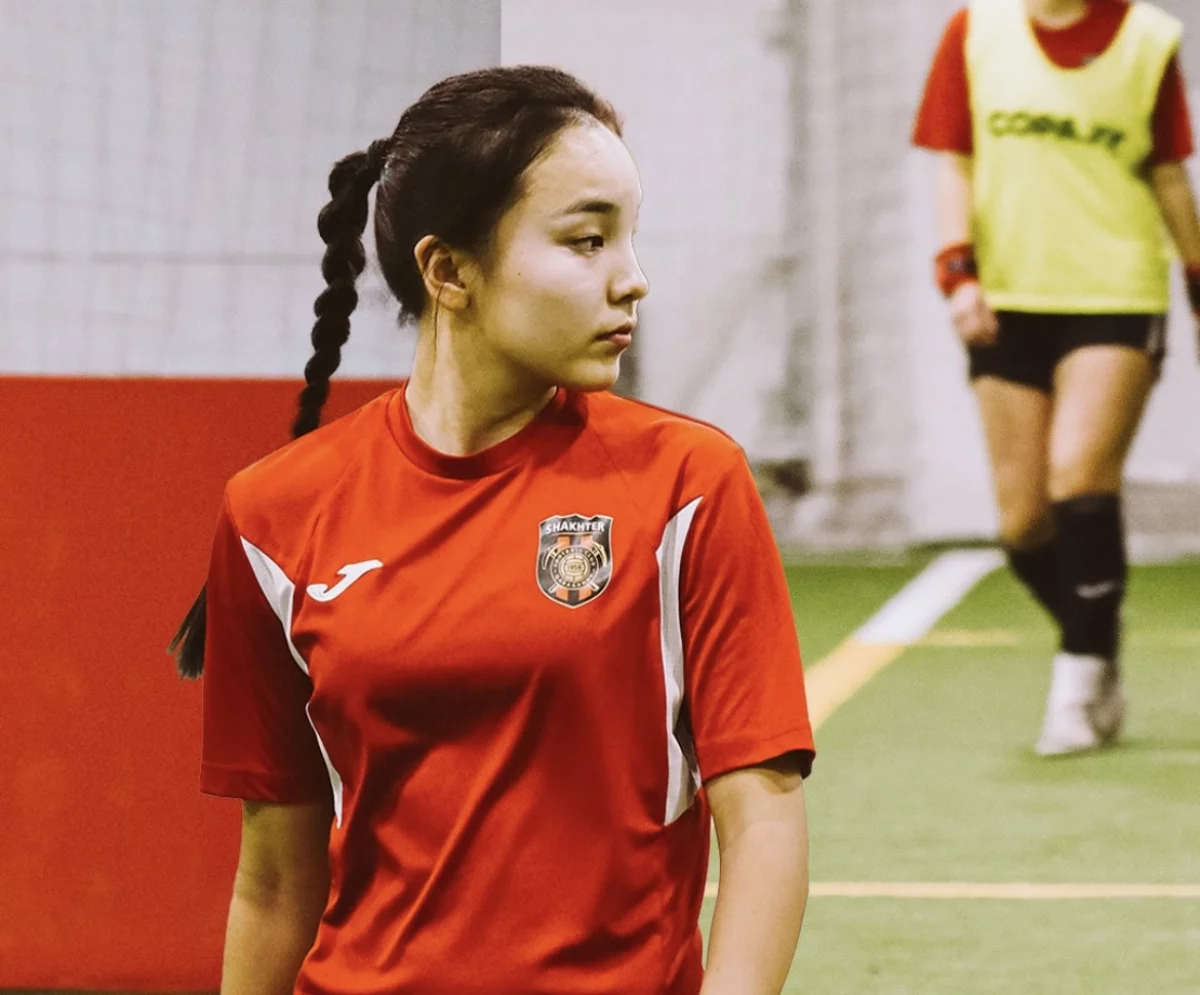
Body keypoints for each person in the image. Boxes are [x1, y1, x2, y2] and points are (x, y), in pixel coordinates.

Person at [169, 66, 814, 994]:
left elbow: (764, 818)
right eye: (587, 240)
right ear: (448, 271)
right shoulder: (273, 513)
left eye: (630, 236)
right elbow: (274, 881)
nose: (632, 278)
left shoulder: (688, 484)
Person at [912, 0, 1200, 755]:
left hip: (1116, 292)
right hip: (1008, 298)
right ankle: (1096, 629)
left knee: (1079, 479)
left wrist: (1197, 282)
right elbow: (955, 162)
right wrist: (957, 272)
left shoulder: (1148, 39)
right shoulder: (975, 30)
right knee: (1023, 523)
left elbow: (1169, 175)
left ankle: (1076, 687)